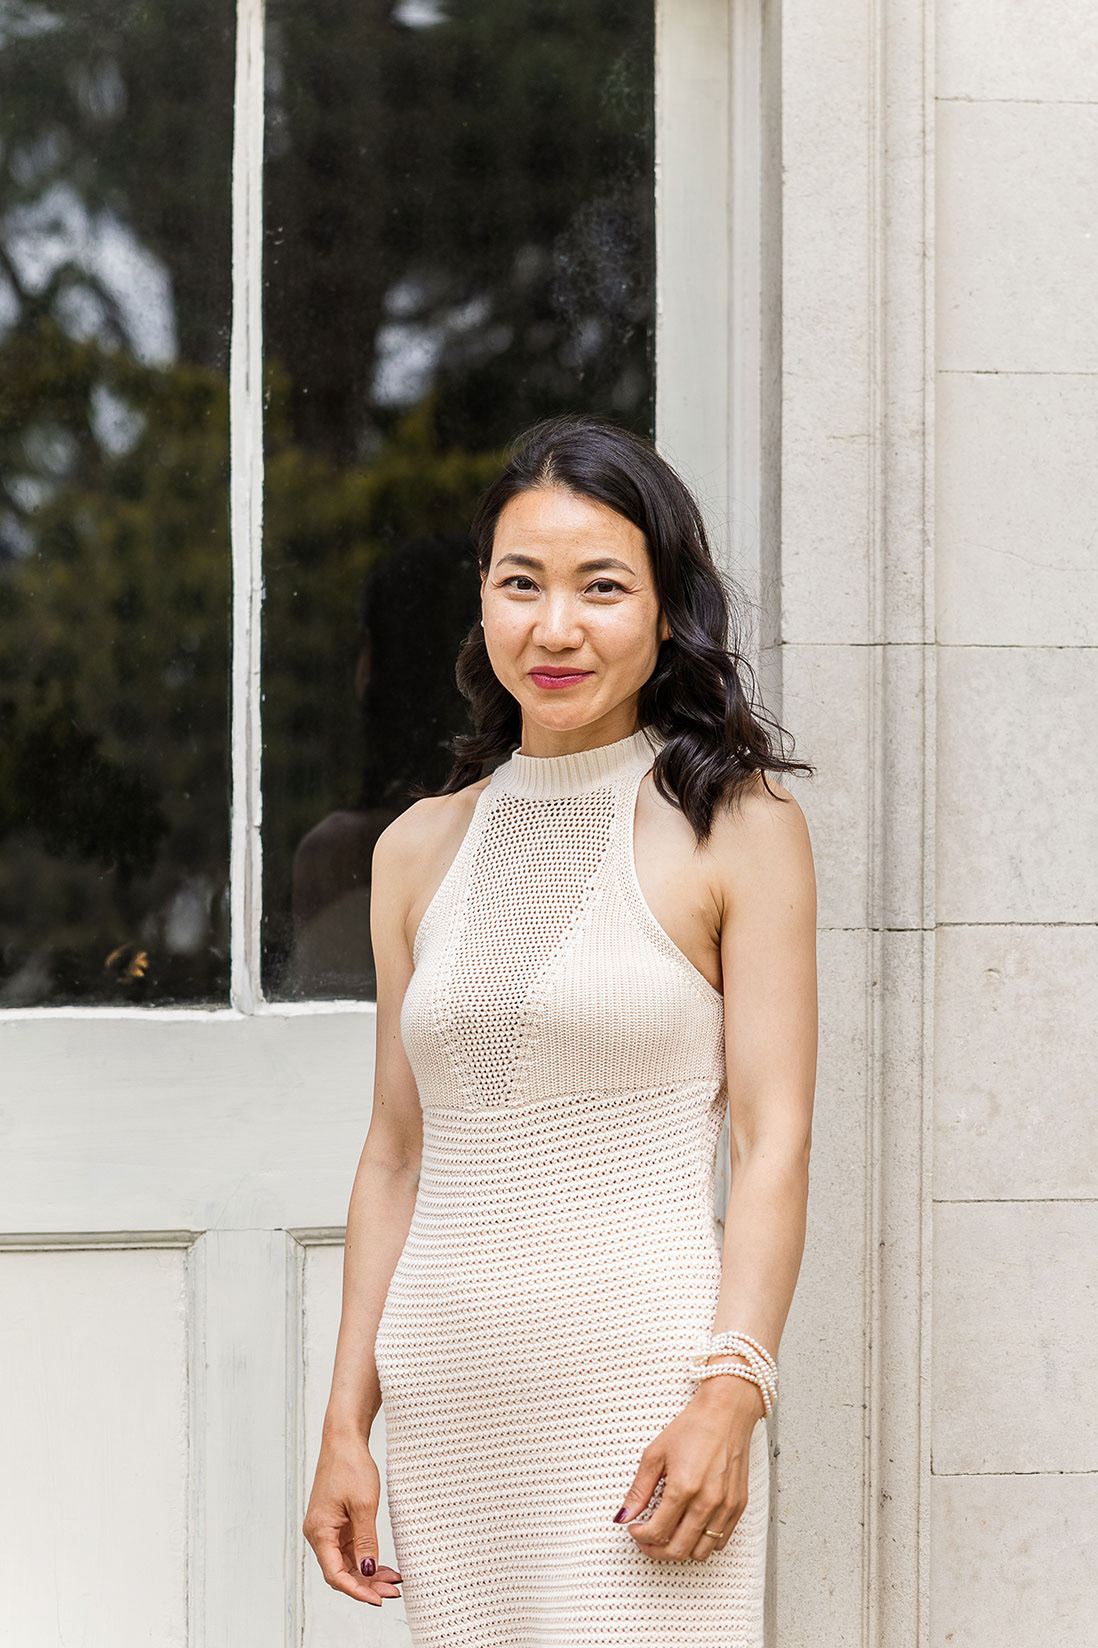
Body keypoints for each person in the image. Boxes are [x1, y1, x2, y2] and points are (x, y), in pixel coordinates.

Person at [302, 414, 819, 1645]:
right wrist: (343, 1423)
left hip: (642, 1387)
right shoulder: (415, 848)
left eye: (602, 586)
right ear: (481, 602)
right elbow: (395, 1153)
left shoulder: (738, 826)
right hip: (450, 1389)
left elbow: (776, 1136)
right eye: (520, 583)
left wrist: (732, 1389)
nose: (556, 625)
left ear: (666, 610)